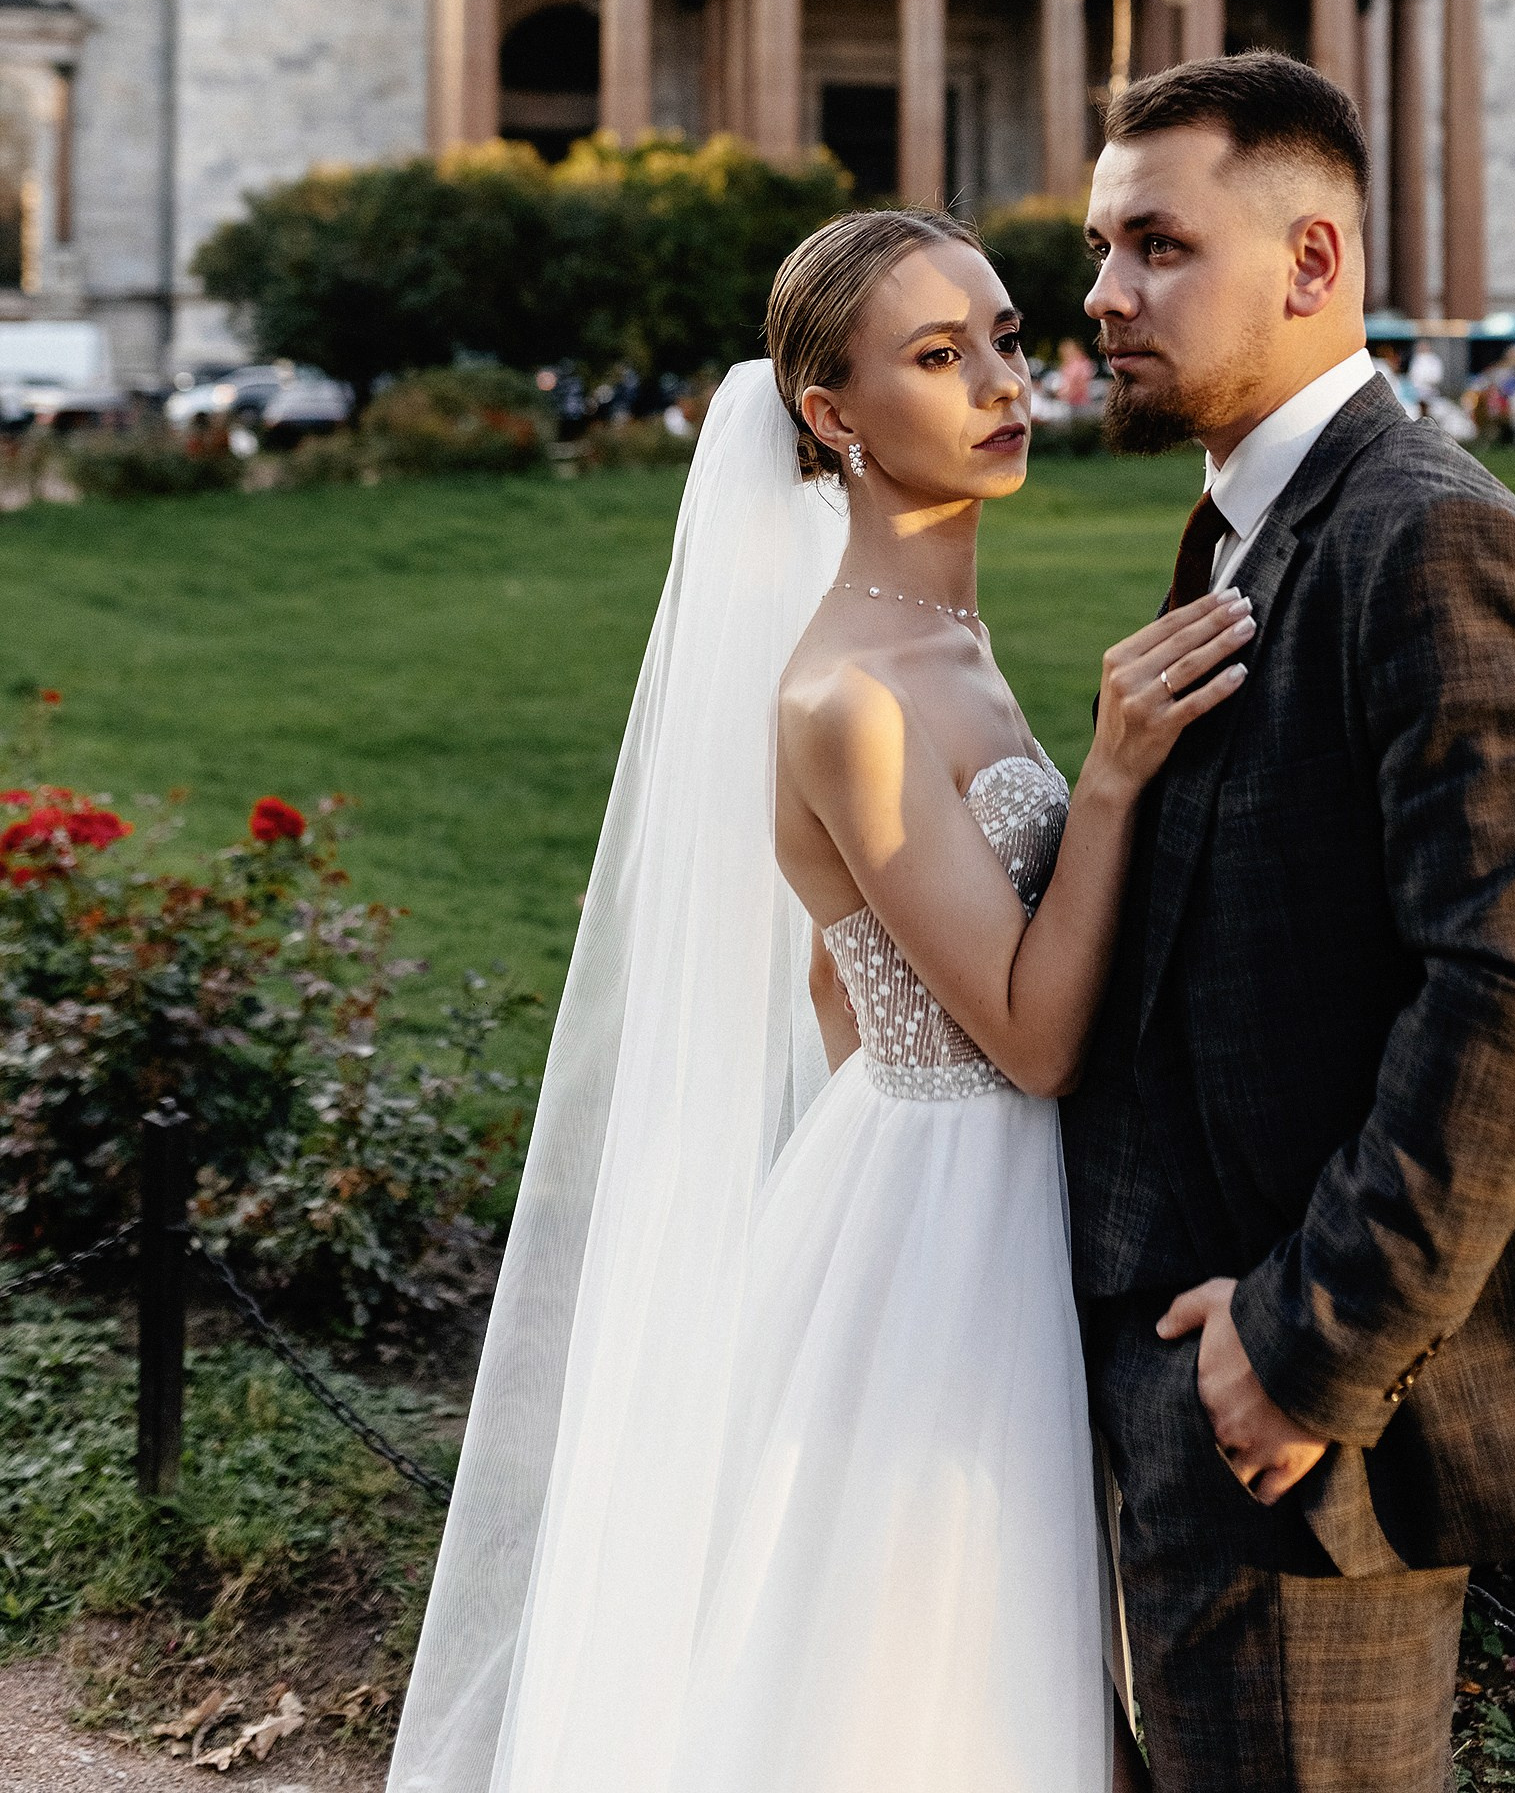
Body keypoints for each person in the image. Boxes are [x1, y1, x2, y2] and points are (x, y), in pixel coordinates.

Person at [388, 208, 1251, 1793]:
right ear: (832, 416)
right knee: (923, 1678)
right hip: (944, 1231)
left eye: (1002, 334)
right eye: (938, 357)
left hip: (927, 1191)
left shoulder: (946, 640)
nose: (1002, 382)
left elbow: (832, 976)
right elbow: (1036, 1038)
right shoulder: (849, 689)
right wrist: (1118, 773)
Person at [1063, 52, 1515, 1793]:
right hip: (1188, 1380)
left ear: (1311, 260)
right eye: (1099, 248)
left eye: (1154, 247)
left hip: (1287, 1429)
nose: (1101, 296)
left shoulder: (1431, 540)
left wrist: (1305, 1350)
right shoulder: (1245, 520)